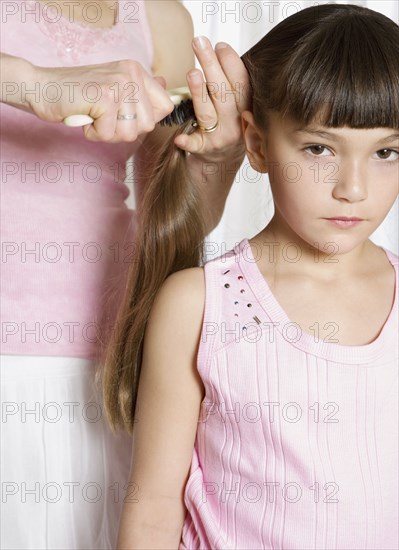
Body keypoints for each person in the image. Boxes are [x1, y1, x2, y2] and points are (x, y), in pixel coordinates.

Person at [103, 3, 399, 549]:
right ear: (257, 144)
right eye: (318, 148)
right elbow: (152, 513)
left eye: (385, 151)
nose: (353, 188)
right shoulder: (200, 304)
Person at [0, 0, 249, 548]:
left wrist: (218, 157)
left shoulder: (162, 19)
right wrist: (29, 81)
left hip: (108, 365)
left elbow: (176, 217)